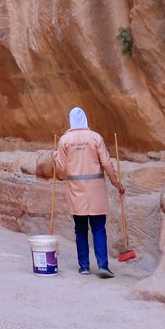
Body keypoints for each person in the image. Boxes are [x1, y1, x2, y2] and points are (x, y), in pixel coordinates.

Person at [54, 107, 124, 276]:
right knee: (99, 227)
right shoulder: (95, 137)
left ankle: (84, 266)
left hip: (76, 190)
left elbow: (61, 171)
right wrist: (116, 182)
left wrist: (55, 156)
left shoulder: (64, 140)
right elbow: (107, 163)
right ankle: (103, 265)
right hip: (96, 189)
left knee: (80, 228)